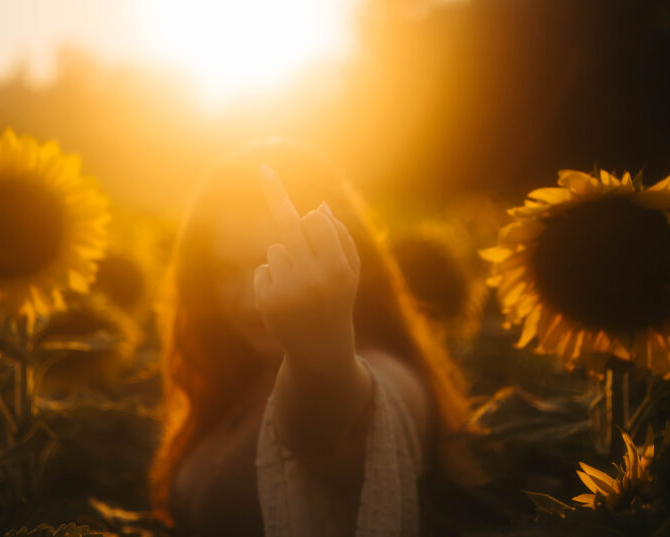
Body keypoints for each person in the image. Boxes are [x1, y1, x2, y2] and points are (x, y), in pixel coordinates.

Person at [150, 139, 477, 536]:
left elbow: (327, 431)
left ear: (340, 259)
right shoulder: (242, 378)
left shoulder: (389, 377)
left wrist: (321, 355)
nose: (249, 297)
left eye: (277, 262)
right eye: (226, 270)